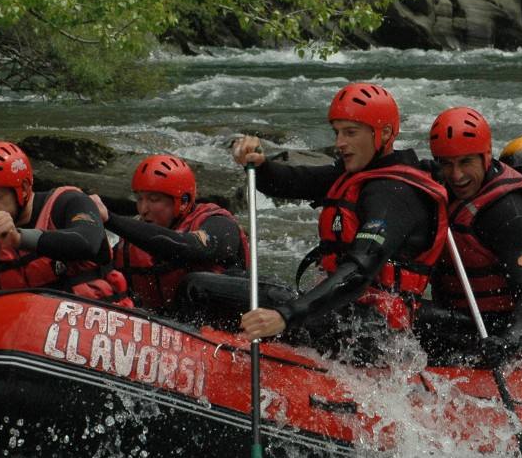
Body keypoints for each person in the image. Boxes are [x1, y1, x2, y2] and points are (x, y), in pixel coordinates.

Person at [186, 81, 448, 364]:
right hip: (347, 314)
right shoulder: (356, 172)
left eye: (350, 132)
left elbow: (358, 273)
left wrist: (286, 315)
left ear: (384, 134)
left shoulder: (394, 194)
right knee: (229, 279)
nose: (339, 143)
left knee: (199, 286)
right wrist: (259, 165)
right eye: (337, 132)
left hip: (374, 333)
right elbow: (293, 181)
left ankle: (199, 360)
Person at [415, 107, 522, 368]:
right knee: (391, 310)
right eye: (447, 163)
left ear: (486, 156)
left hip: (496, 329)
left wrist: (508, 342)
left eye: (466, 162)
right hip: (458, 320)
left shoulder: (511, 212)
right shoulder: (437, 186)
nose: (456, 175)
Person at [0, 140, 130, 305]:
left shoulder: (69, 203)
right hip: (32, 335)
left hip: (104, 324)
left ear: (25, 189)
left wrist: (19, 238)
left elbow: (87, 243)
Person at [90, 154, 247, 314]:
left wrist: (110, 219)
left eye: (154, 199)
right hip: (168, 326)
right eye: (139, 199)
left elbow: (188, 248)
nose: (143, 209)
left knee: (196, 284)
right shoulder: (131, 243)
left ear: (183, 201)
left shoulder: (220, 224)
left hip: (227, 323)